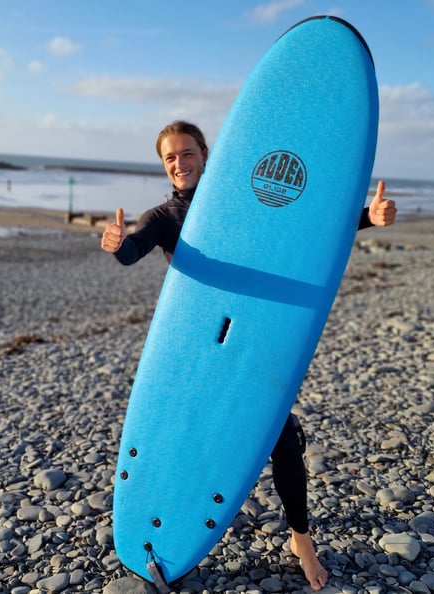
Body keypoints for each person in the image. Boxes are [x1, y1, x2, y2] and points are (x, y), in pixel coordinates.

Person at [102, 121, 396, 591]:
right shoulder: (162, 216)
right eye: (170, 158)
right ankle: (168, 530)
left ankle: (302, 541)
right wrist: (119, 247)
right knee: (184, 433)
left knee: (280, 436)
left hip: (253, 336)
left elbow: (305, 226)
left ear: (205, 152)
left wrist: (366, 217)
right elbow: (135, 248)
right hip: (196, 346)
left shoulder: (246, 197)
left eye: (187, 153)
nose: (180, 164)